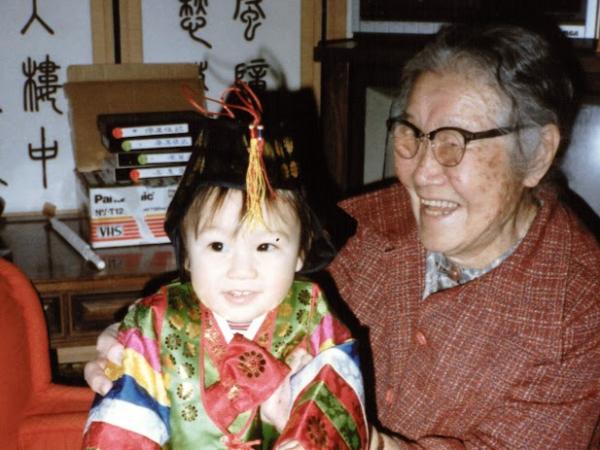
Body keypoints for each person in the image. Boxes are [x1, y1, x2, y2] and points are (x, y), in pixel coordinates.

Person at [86, 22, 600, 448]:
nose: (421, 173)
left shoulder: (579, 307)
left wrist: (359, 440)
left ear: (535, 155)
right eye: (411, 135)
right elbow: (243, 296)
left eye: (454, 142)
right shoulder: (364, 231)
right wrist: (141, 347)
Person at [82, 84, 369, 450]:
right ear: (186, 253)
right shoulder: (156, 322)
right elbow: (122, 427)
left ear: (301, 253)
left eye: (265, 246)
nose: (241, 270)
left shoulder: (312, 318)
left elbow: (333, 408)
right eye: (217, 245)